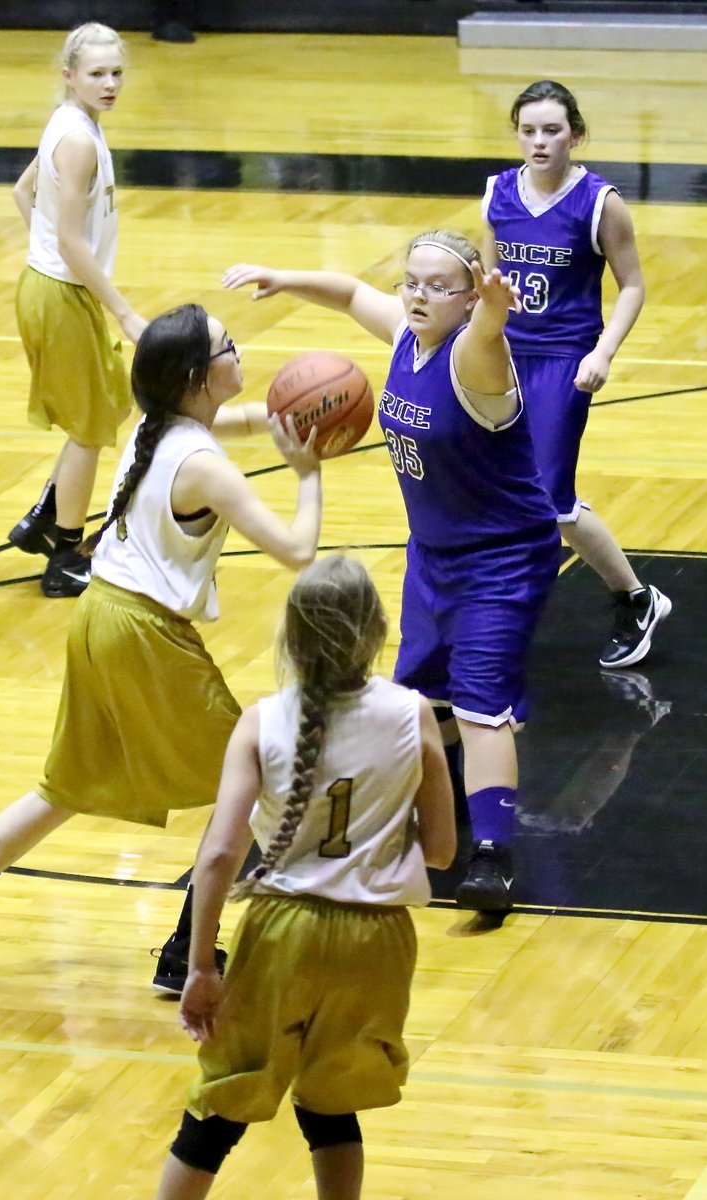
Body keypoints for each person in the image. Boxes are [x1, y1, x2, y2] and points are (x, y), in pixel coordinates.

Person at [0, 304, 323, 988]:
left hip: (97, 617)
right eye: (227, 348)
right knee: (259, 775)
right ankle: (189, 952)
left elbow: (236, 423)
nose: (240, 353)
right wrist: (307, 472)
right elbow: (297, 552)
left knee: (68, 785)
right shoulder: (203, 467)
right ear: (195, 376)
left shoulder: (155, 430)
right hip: (142, 633)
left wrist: (295, 418)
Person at [223, 230, 560, 912]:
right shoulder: (409, 333)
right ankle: (440, 797)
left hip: (502, 555)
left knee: (480, 702)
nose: (418, 295)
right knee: (418, 696)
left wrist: (493, 308)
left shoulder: (473, 354)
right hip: (432, 552)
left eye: (440, 286)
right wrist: (281, 274)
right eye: (412, 281)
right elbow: (351, 293)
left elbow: (488, 336)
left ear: (467, 299)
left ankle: (492, 859)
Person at [153, 555, 456, 1200]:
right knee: (330, 1102)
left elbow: (216, 857)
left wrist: (202, 965)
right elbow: (442, 851)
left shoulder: (262, 721)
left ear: (290, 637)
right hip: (379, 940)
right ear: (378, 630)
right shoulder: (414, 714)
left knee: (218, 1105)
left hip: (283, 931)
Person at [482, 79, 671, 668]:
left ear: (576, 135)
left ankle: (634, 598)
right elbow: (487, 287)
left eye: (552, 130)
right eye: (528, 130)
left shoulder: (599, 201)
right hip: (502, 358)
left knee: (547, 498)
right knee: (512, 492)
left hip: (564, 361)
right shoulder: (495, 193)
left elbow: (633, 285)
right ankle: (635, 599)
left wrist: (603, 353)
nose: (538, 141)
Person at [8, 23, 148, 598]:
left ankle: (45, 512)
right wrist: (123, 312)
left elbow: (22, 192)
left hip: (55, 287)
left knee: (113, 401)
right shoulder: (80, 142)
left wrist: (48, 257)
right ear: (70, 76)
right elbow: (69, 242)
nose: (110, 83)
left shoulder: (71, 124)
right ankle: (65, 555)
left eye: (116, 73)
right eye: (97, 74)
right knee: (92, 429)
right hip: (62, 292)